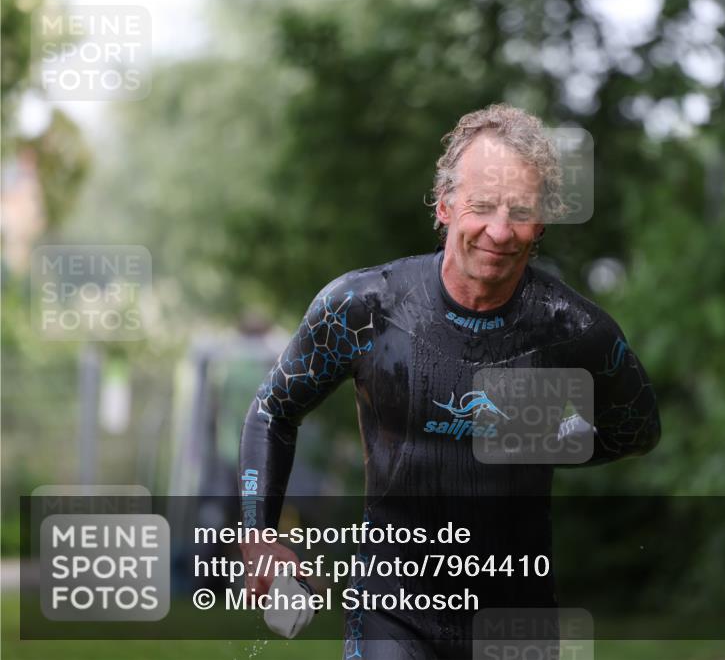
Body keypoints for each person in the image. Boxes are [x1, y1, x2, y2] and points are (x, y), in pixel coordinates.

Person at [238, 103, 661, 659]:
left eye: (521, 212)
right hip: (392, 608)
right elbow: (273, 410)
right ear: (444, 205)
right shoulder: (364, 309)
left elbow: (637, 431)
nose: (500, 231)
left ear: (541, 224)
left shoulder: (572, 330)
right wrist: (258, 534)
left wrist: (540, 433)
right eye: (482, 206)